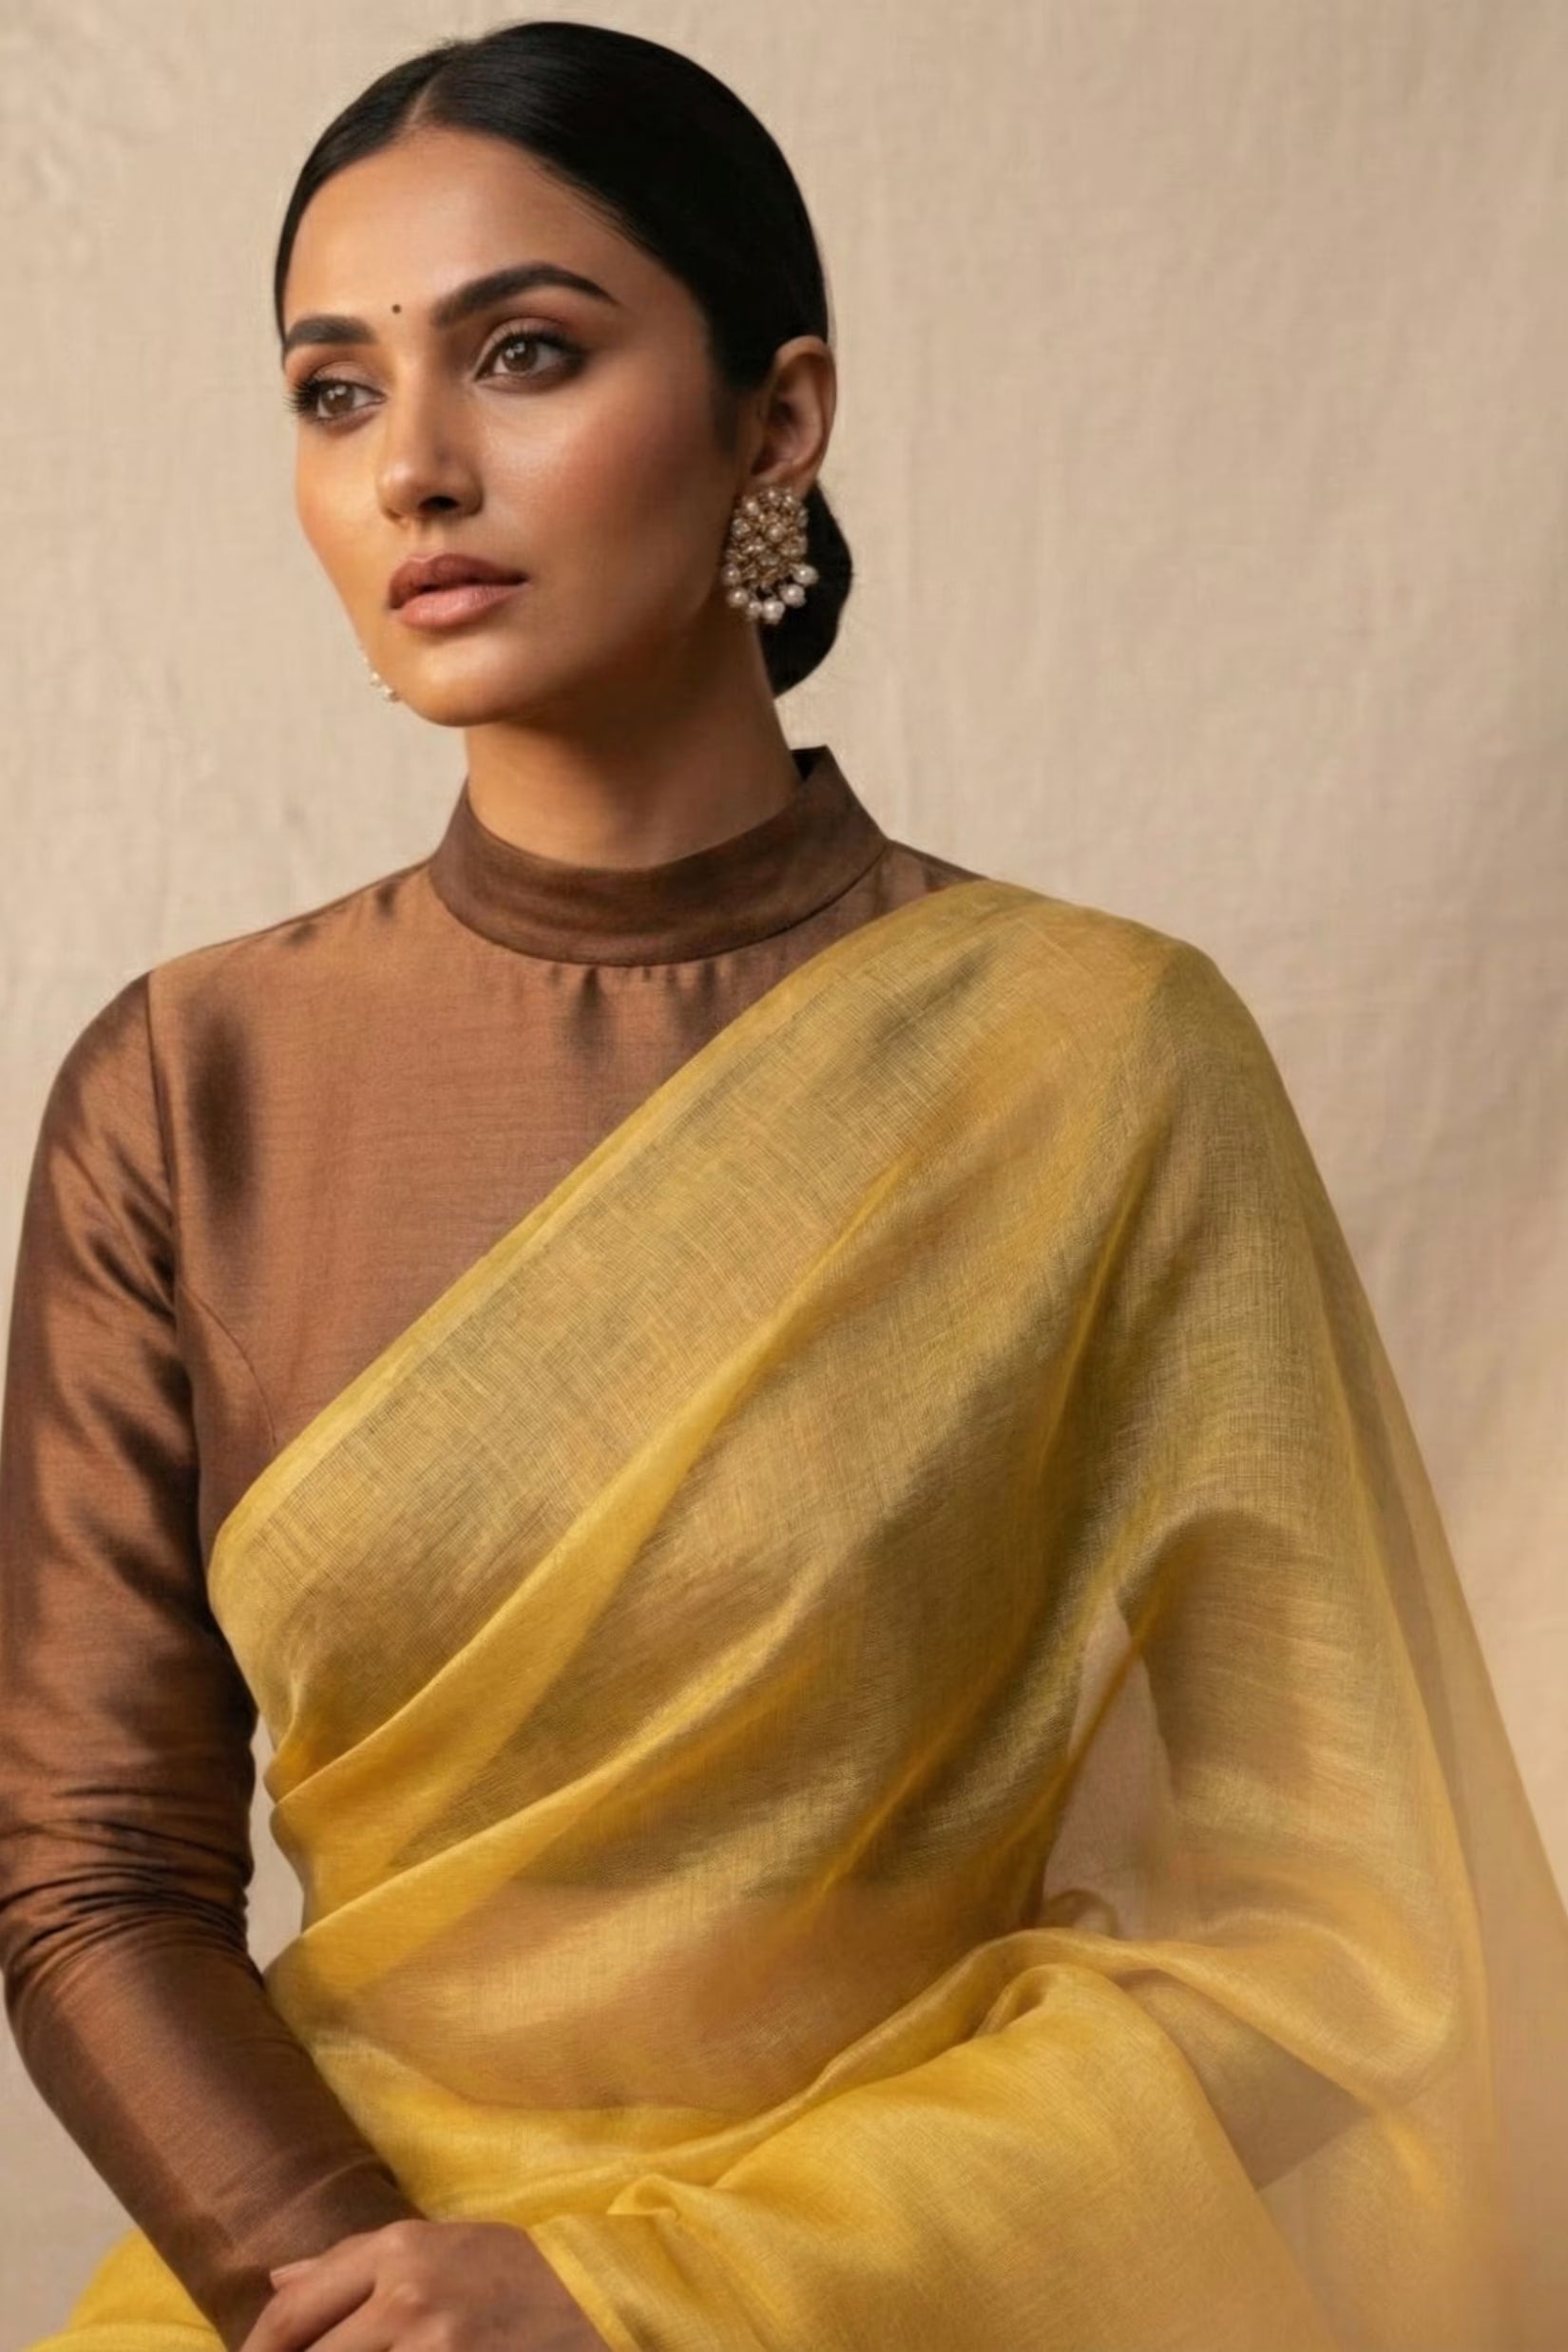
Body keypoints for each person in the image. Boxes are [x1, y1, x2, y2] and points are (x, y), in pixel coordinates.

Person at [2, 19, 1565, 2352]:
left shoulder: (1093, 1056)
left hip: (915, 2288)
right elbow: (93, 1866)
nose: (416, 466)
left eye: (523, 355)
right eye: (335, 393)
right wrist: (382, 2290)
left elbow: (1348, 1929)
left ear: (780, 416)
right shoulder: (189, 1086)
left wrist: (665, 2297)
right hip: (334, 2290)